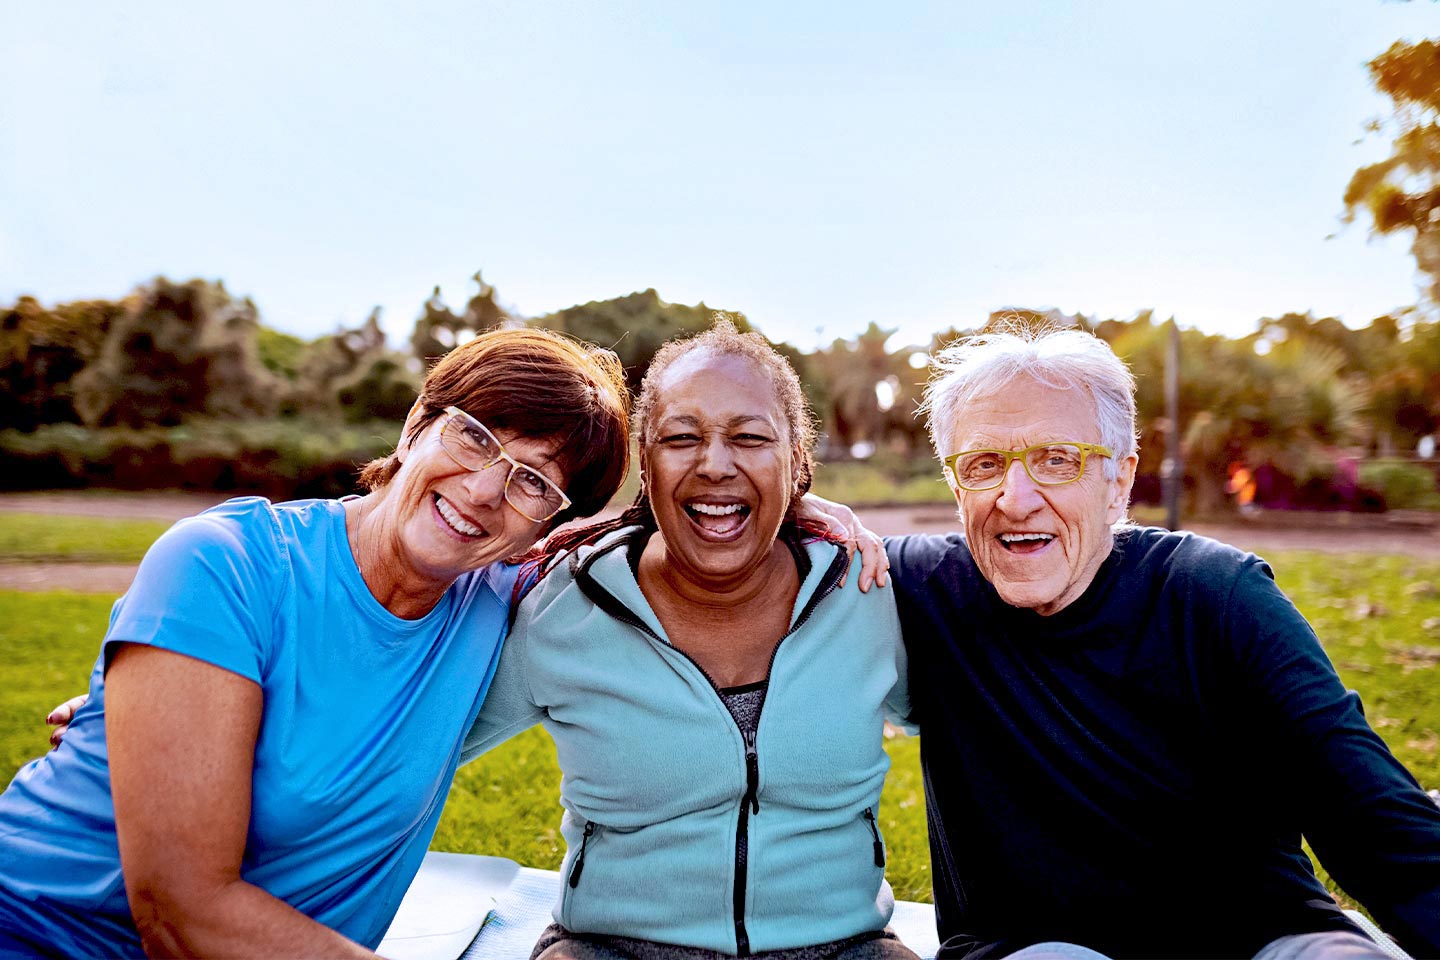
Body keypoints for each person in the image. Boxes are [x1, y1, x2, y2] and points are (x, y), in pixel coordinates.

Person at [0, 328, 632, 959]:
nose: (483, 490)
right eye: (474, 437)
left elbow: (677, 551)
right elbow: (181, 914)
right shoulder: (227, 563)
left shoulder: (507, 602)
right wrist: (155, 706)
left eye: (533, 483)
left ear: (550, 521)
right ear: (417, 424)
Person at [884, 326, 1440, 959]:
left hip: (1261, 936)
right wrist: (819, 516)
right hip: (1032, 948)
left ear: (1120, 481)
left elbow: (1377, 827)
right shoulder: (918, 589)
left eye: (1057, 459)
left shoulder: (1216, 593)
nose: (1015, 498)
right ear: (957, 486)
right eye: (983, 464)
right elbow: (763, 548)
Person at [466, 321, 918, 959]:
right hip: (610, 947)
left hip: (844, 947)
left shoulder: (870, 595)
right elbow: (420, 751)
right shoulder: (562, 607)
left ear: (797, 463)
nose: (714, 463)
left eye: (750, 438)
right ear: (646, 468)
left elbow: (981, 736)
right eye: (681, 438)